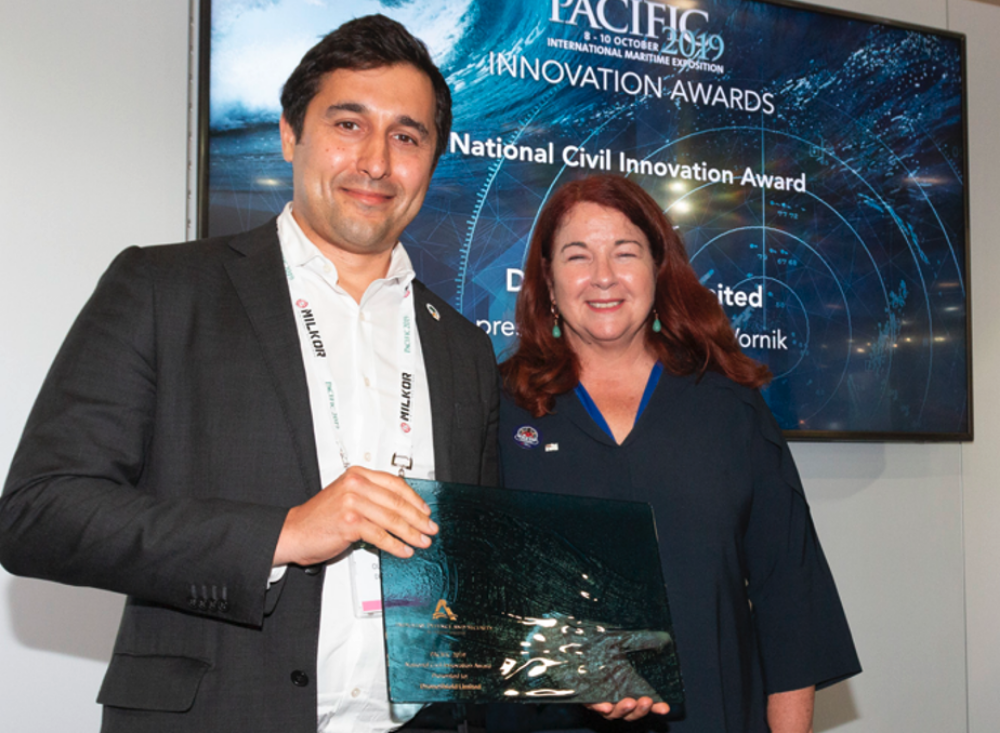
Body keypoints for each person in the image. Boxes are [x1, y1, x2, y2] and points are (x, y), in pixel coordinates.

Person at [0, 14, 498, 733]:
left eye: (407, 137)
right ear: (290, 135)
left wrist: (579, 660)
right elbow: (37, 514)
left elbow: (477, 571)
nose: (376, 162)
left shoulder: (465, 349)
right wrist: (282, 534)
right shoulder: (163, 288)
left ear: (432, 161)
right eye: (348, 125)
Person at [495, 174, 861, 732]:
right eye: (577, 256)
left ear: (658, 269)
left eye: (625, 252)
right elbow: (472, 593)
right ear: (547, 279)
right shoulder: (500, 408)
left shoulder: (729, 406)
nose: (603, 276)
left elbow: (790, 597)